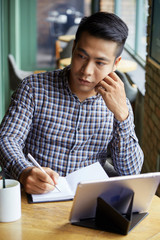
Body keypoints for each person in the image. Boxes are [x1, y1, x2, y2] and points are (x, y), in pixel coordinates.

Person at [0, 12, 144, 194]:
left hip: (87, 202)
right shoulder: (34, 88)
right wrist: (24, 171)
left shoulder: (118, 102)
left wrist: (123, 116)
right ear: (74, 48)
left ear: (115, 64)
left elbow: (130, 171)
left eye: (100, 63)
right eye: (81, 56)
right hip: (33, 196)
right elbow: (7, 138)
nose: (86, 71)